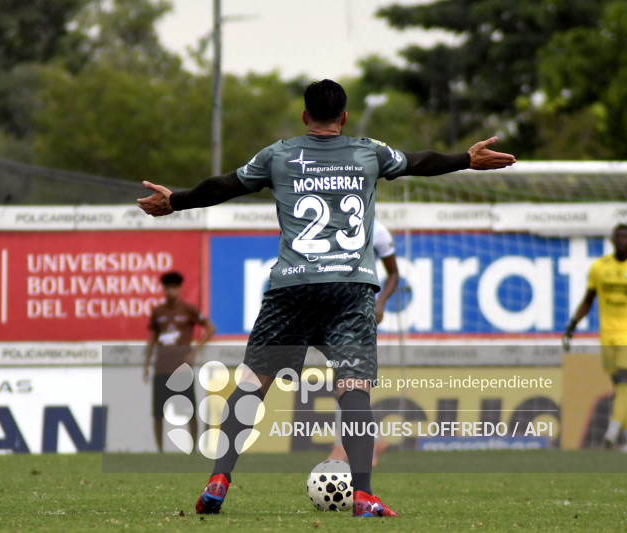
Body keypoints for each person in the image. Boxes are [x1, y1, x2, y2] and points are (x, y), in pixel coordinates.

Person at [138, 79, 515, 517]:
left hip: (291, 288)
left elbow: (225, 185)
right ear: (345, 117)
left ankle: (219, 478)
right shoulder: (368, 151)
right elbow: (418, 162)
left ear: (304, 116)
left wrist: (177, 201)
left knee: (252, 387)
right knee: (353, 389)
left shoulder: (277, 155)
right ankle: (364, 494)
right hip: (350, 287)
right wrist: (465, 159)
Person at [563, 224, 627, 452]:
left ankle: (611, 433)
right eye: (617, 236)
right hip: (607, 335)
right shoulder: (599, 267)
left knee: (624, 380)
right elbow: (588, 300)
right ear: (611, 240)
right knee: (620, 388)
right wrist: (571, 325)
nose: (621, 239)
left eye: (625, 236)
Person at [327, 220, 398, 465]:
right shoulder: (327, 223)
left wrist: (380, 303)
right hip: (331, 309)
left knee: (347, 377)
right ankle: (373, 440)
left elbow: (394, 274)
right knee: (342, 378)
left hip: (359, 312)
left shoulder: (377, 229)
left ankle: (342, 446)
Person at [144, 271, 216, 452]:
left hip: (181, 368)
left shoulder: (188, 309)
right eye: (167, 288)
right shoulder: (157, 312)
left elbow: (210, 328)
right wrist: (146, 364)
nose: (170, 292)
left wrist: (195, 351)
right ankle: (160, 451)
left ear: (179, 288)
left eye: (174, 288)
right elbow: (152, 338)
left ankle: (193, 450)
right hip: (161, 367)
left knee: (189, 410)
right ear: (163, 289)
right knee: (158, 412)